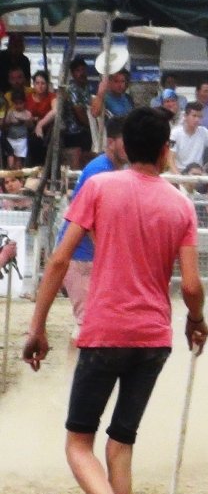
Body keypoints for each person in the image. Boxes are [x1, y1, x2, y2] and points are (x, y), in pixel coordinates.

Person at [22, 106, 208, 494]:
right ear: (167, 148)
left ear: (124, 146)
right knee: (120, 443)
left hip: (104, 332)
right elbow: (190, 284)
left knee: (78, 442)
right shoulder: (180, 205)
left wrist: (37, 326)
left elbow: (61, 258)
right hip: (153, 339)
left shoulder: (99, 189)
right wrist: (197, 322)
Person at [55, 116, 129, 339]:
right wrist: (108, 252)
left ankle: (74, 372)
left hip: (87, 256)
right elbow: (88, 220)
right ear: (111, 142)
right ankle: (73, 372)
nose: (129, 149)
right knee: (88, 325)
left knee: (94, 323)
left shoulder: (109, 169)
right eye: (125, 143)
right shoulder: (100, 170)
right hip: (80, 256)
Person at [170, 102, 208, 171]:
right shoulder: (175, 133)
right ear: (185, 116)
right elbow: (170, 159)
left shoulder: (204, 131)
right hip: (179, 172)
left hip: (197, 173)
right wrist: (179, 177)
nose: (197, 119)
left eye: (200, 117)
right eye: (194, 116)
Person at [61, 58, 94, 169]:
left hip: (84, 130)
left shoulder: (86, 88)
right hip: (74, 132)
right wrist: (92, 128)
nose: (81, 73)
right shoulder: (73, 89)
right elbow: (79, 112)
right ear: (72, 73)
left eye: (83, 70)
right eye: (78, 70)